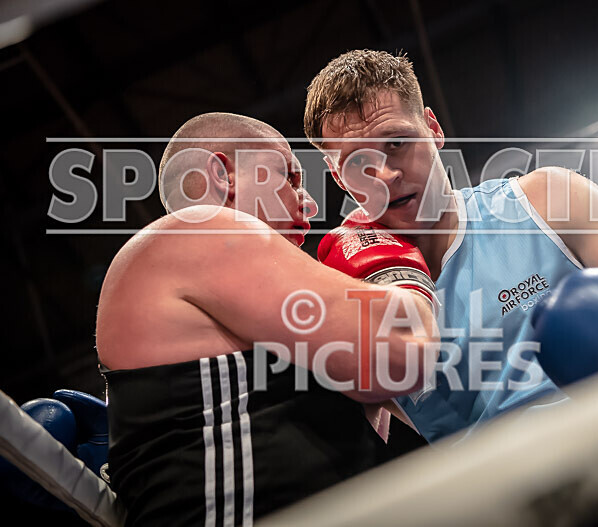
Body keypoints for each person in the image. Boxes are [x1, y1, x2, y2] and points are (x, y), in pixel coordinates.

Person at [303, 50, 598, 442]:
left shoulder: (543, 199)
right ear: (339, 177)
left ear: (434, 128)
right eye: (359, 163)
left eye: (397, 143)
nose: (385, 175)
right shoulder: (349, 295)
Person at [96, 112, 438, 525]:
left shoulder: (241, 324)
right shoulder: (198, 230)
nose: (309, 203)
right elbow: (399, 353)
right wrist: (391, 269)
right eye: (289, 177)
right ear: (223, 175)